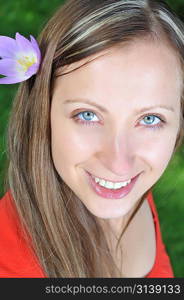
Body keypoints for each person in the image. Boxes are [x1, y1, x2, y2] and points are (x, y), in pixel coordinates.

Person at [0, 0, 183, 278]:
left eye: (149, 119)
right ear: (43, 111)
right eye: (87, 115)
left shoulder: (128, 190)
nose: (119, 164)